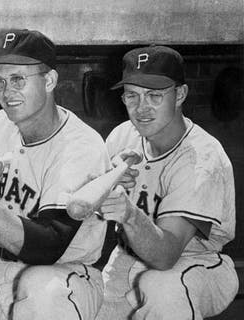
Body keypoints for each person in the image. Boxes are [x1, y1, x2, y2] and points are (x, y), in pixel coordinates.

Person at [0, 29, 110, 320]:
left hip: (62, 278)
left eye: (18, 80)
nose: (7, 92)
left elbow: (50, 246)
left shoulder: (81, 147)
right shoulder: (3, 122)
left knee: (42, 289)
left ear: (49, 80)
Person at [95, 45, 238, 319]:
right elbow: (84, 213)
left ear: (180, 94)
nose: (141, 108)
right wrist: (104, 183)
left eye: (155, 95)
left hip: (196, 262)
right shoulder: (122, 136)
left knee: (161, 288)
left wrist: (126, 212)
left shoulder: (202, 158)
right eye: (132, 96)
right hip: (128, 258)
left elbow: (165, 256)